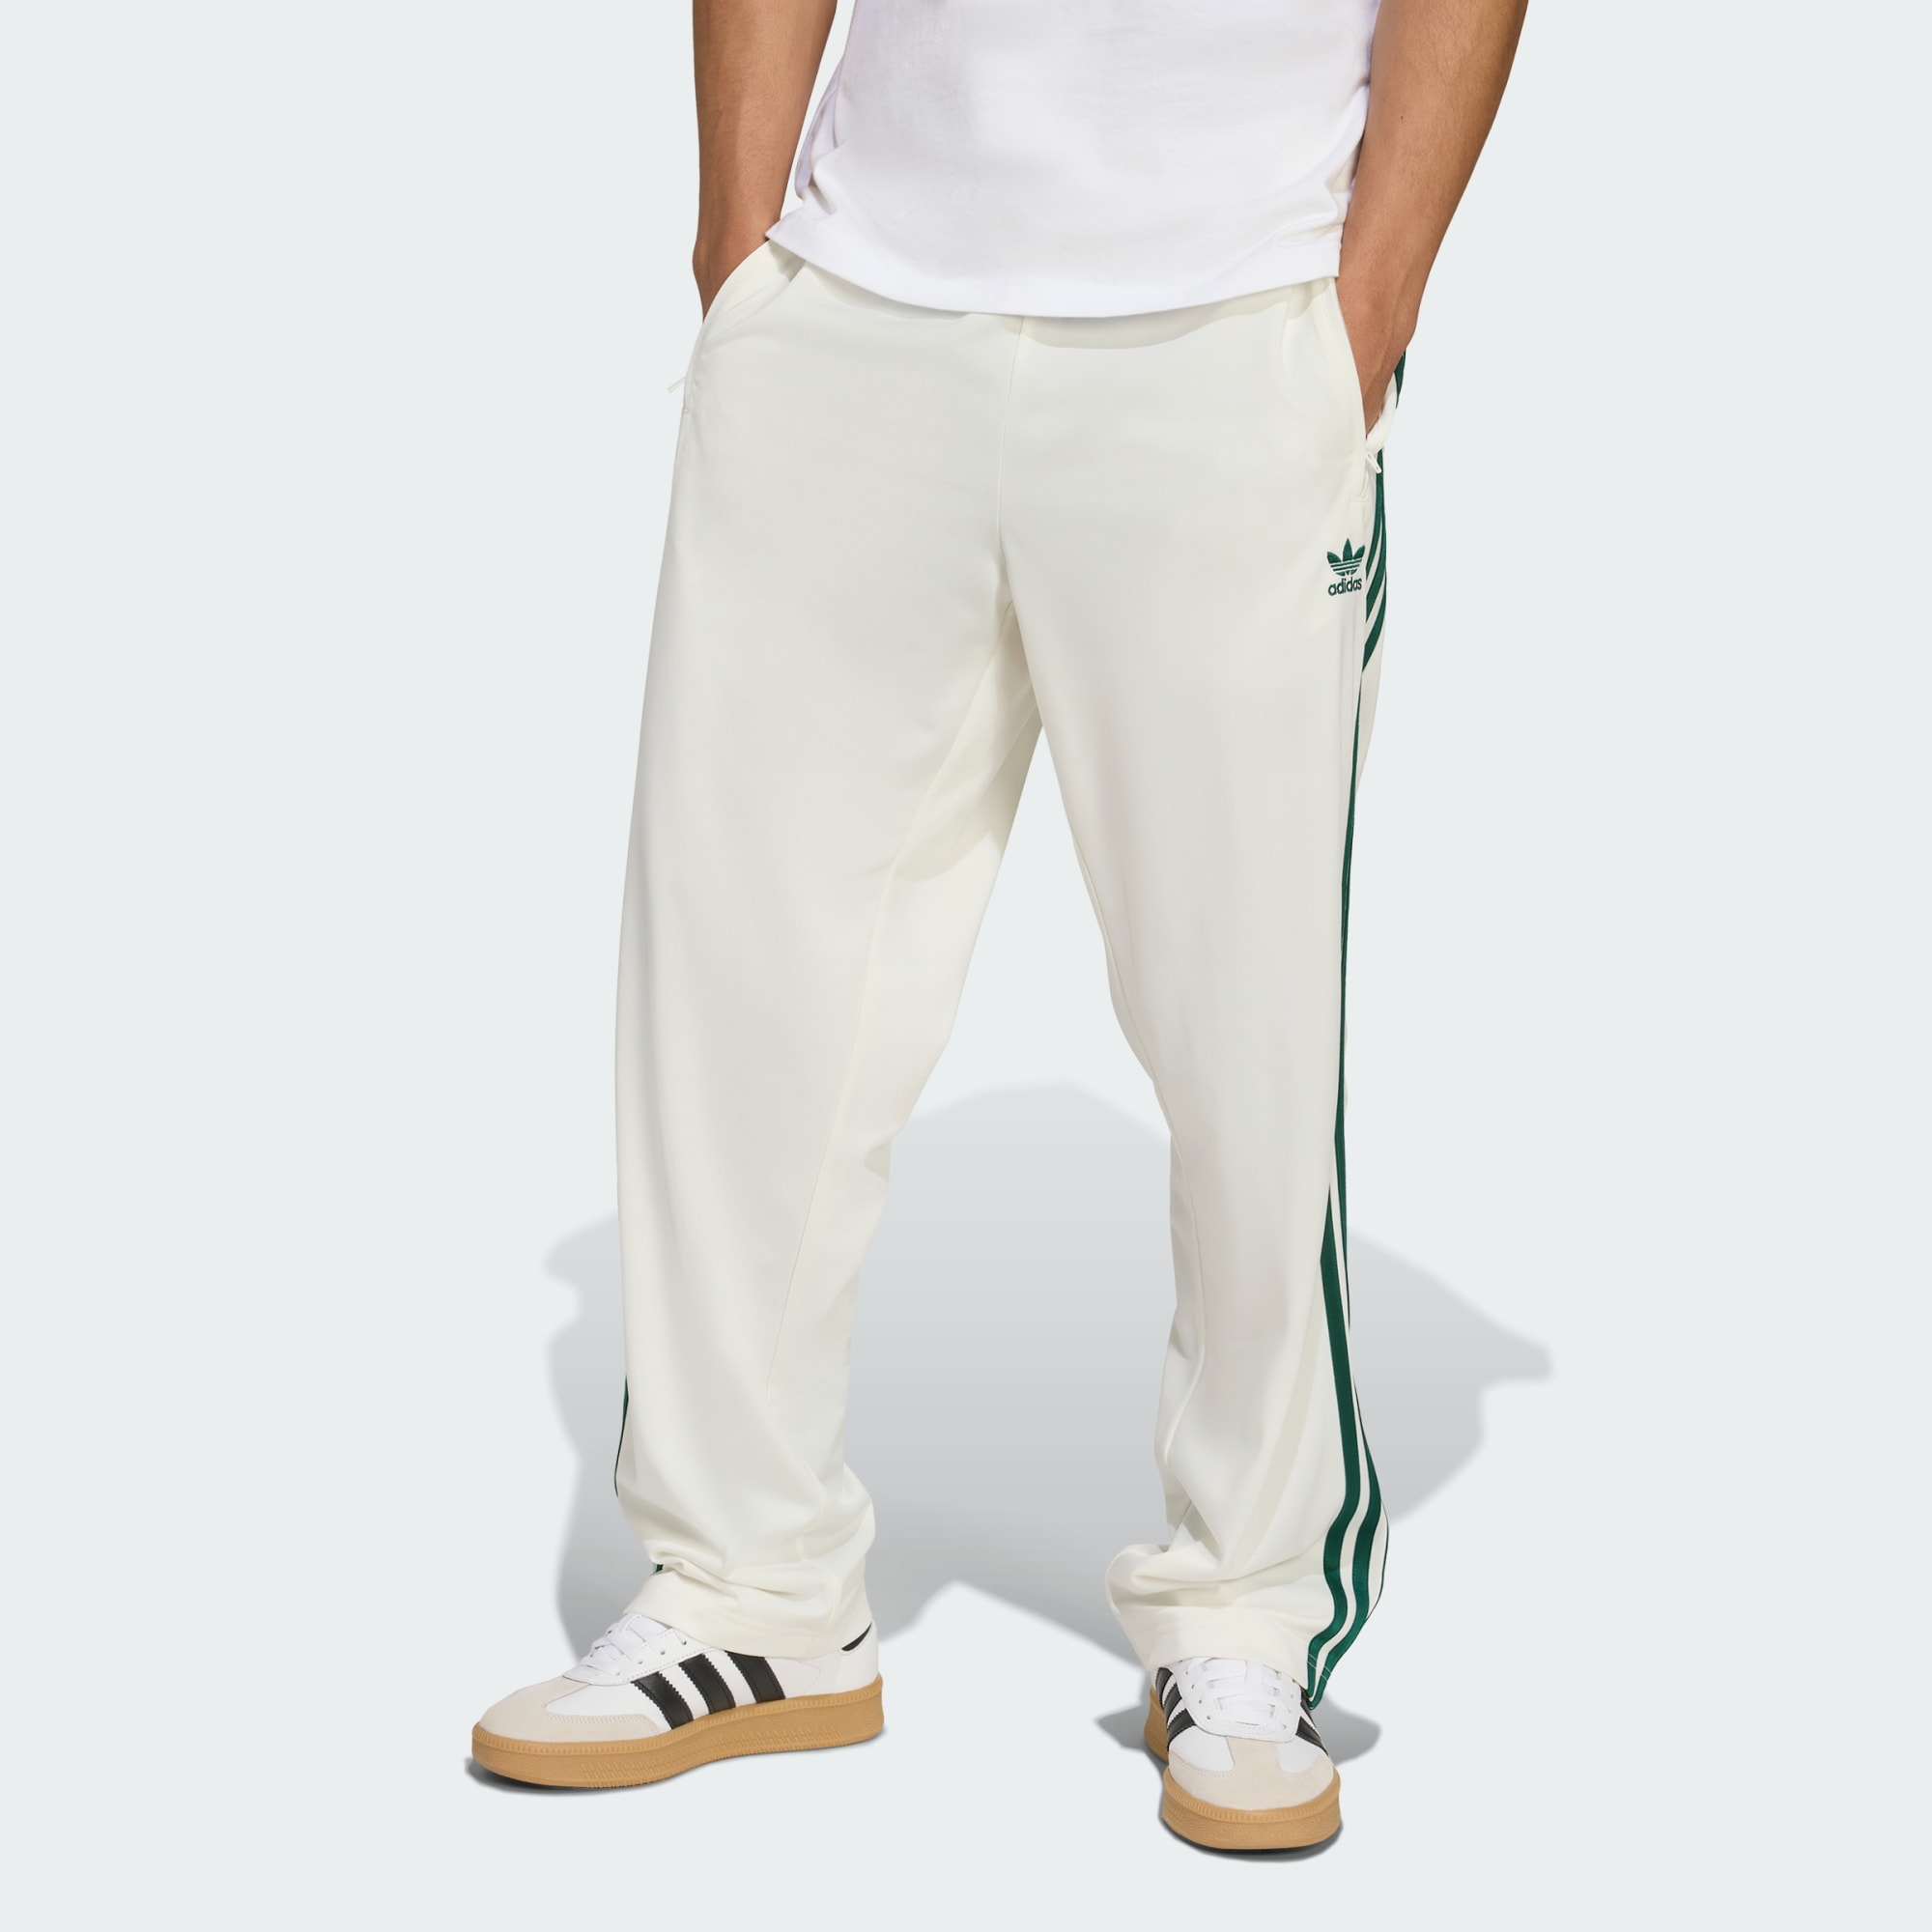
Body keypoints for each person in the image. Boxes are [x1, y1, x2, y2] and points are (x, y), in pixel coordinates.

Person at [473, 0, 1524, 1850]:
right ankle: (747, 1586)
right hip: (856, 301)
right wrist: (741, 257)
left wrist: (1366, 314)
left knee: (1247, 1029)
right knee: (743, 991)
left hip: (1234, 314)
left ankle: (1243, 1611)